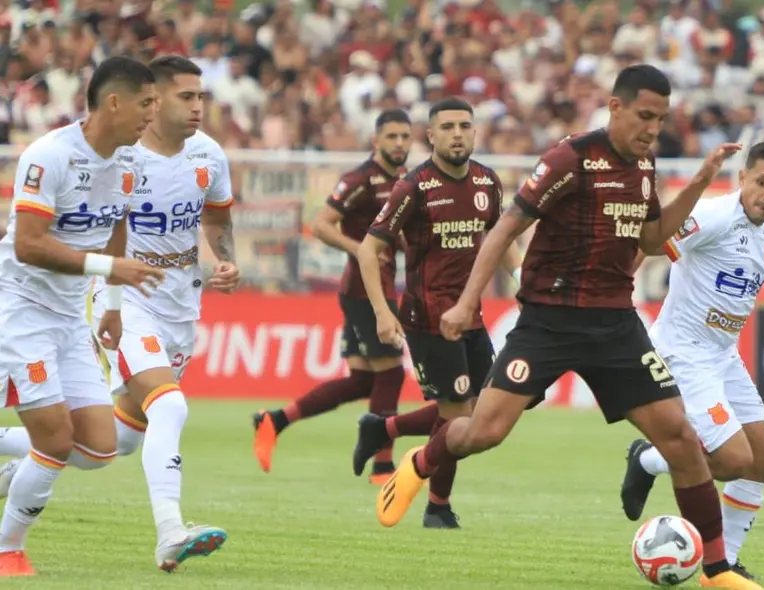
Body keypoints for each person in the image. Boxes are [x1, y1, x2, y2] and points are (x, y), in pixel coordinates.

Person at [381, 65, 760, 589]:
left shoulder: (646, 166)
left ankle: (717, 572)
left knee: (681, 439)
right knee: (484, 430)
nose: (652, 128)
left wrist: (698, 181)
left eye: (661, 119)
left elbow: (652, 241)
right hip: (549, 321)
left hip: (614, 324)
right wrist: (468, 303)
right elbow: (505, 227)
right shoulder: (571, 157)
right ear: (616, 107)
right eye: (645, 116)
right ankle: (422, 461)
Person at [0, 56, 232, 573]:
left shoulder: (133, 162)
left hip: (93, 312)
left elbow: (118, 227)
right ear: (115, 102)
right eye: (148, 103)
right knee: (85, 432)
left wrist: (112, 304)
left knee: (105, 446)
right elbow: (28, 246)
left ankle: (12, 464)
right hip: (24, 310)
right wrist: (114, 275)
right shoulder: (50, 156)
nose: (150, 116)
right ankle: (10, 550)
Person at [617, 141, 764, 581]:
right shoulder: (713, 216)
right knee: (737, 459)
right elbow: (652, 241)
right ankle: (650, 460)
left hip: (723, 356)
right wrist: (613, 288)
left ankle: (723, 566)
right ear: (742, 178)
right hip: (683, 352)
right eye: (761, 181)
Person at [357, 97, 520, 529]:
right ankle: (438, 507)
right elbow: (368, 249)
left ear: (474, 131)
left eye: (464, 126)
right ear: (429, 136)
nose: (457, 134)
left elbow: (501, 238)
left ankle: (383, 430)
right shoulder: (414, 187)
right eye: (446, 127)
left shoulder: (487, 181)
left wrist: (523, 283)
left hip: (472, 317)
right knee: (459, 418)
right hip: (429, 320)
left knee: (484, 411)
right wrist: (382, 311)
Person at [252, 109, 421, 484]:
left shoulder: (405, 181)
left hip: (376, 287)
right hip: (364, 291)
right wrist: (360, 248)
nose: (398, 143)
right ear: (375, 141)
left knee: (363, 382)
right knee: (391, 373)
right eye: (391, 136)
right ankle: (381, 467)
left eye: (404, 137)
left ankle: (274, 420)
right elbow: (322, 224)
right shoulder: (359, 179)